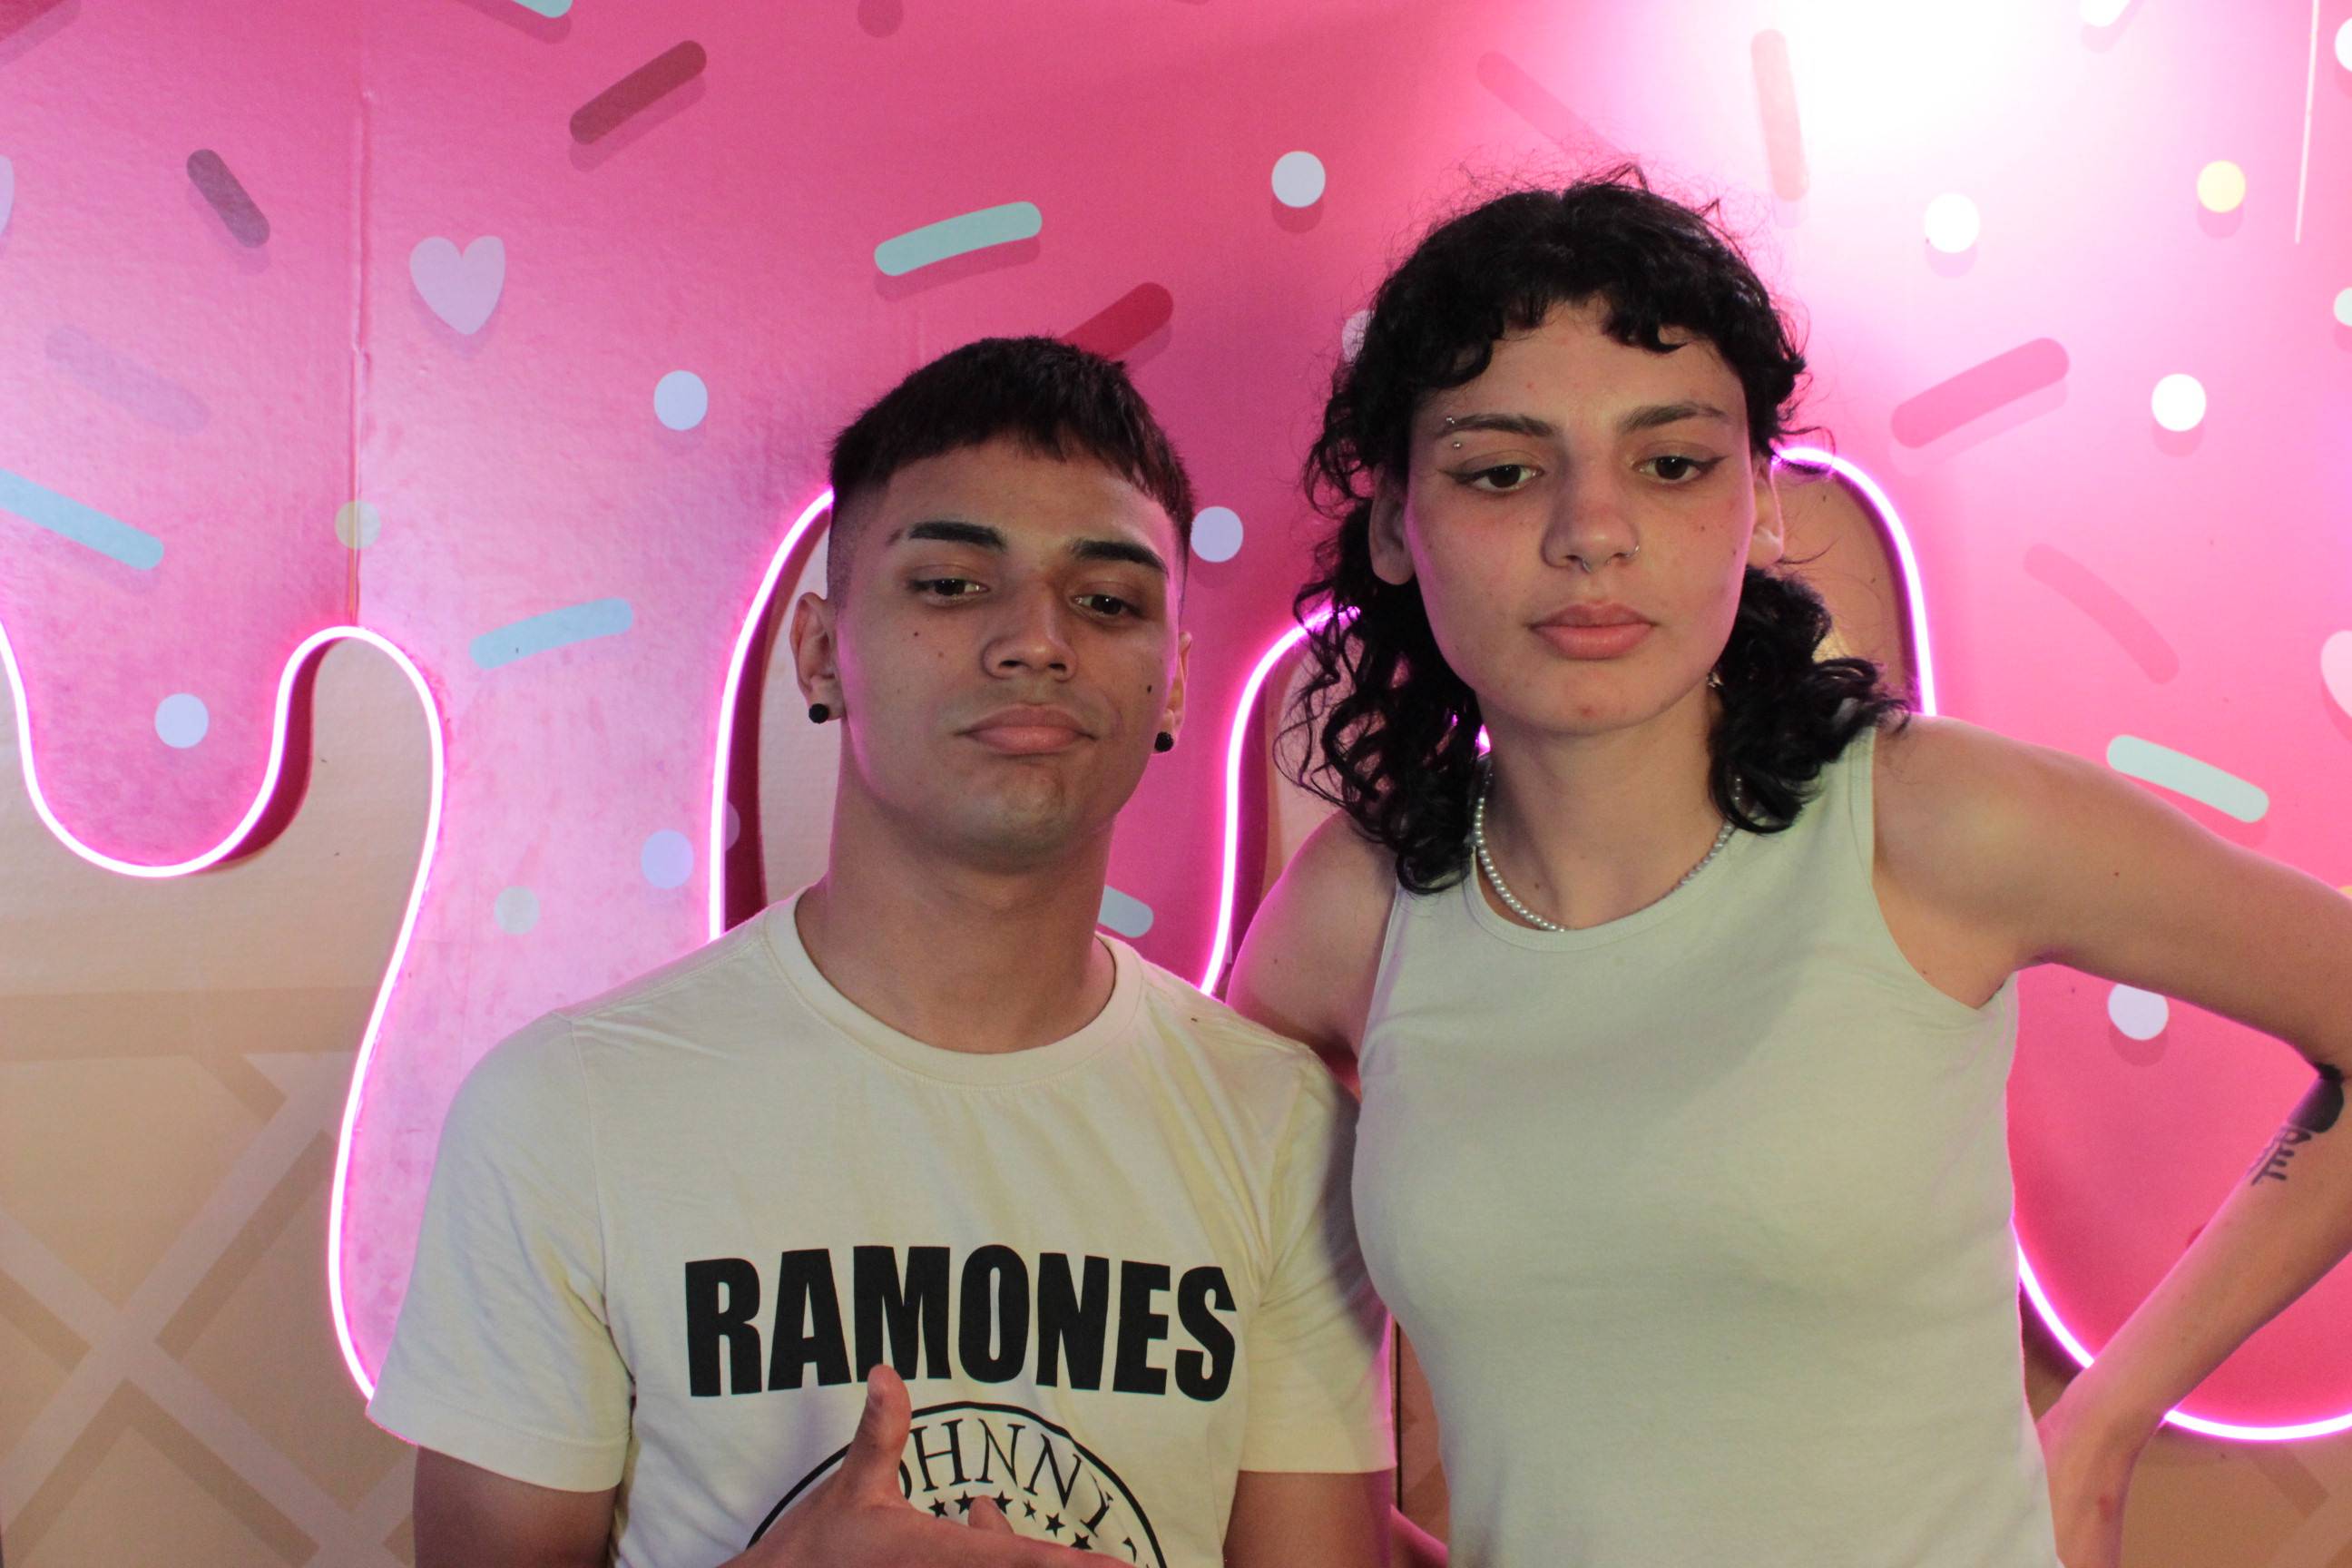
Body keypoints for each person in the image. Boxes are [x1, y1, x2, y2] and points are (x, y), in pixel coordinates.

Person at [1229, 170, 2352, 1568]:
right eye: (1503, 471)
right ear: (1399, 524)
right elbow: (1245, 1314)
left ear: (1760, 504)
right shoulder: (1355, 916)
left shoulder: (1926, 822)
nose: (1592, 531)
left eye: (1671, 463)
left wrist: (2105, 1426)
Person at [369, 337, 1398, 1568]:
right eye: (951, 585)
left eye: (1108, 602)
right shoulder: (566, 1111)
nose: (1036, 641)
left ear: (1173, 684)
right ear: (821, 650)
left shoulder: (1284, 1131)